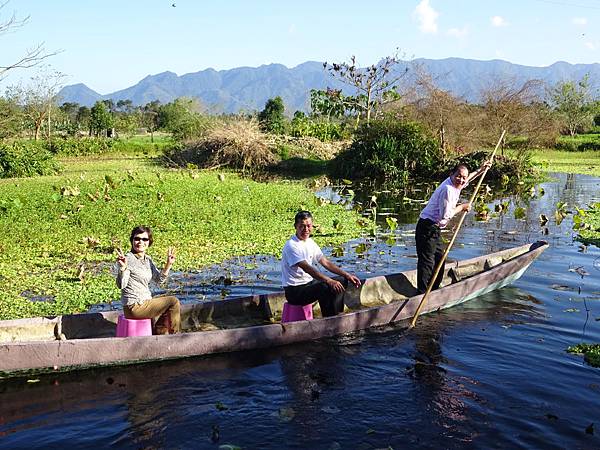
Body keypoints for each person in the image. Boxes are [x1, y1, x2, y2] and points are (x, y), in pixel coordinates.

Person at [416, 161, 492, 294]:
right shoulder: (448, 190)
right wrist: (461, 207)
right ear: (451, 175)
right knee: (427, 262)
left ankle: (433, 290)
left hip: (434, 229)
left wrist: (481, 169)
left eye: (463, 177)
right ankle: (422, 293)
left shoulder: (456, 184)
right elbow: (445, 216)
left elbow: (467, 179)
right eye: (458, 176)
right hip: (426, 228)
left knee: (440, 259)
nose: (461, 180)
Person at [281, 210, 361, 317]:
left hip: (308, 284)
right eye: (302, 226)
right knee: (325, 287)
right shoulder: (292, 245)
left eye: (309, 226)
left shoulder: (310, 242)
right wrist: (329, 281)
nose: (306, 229)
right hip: (295, 291)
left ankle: (337, 314)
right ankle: (328, 319)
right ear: (295, 226)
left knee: (342, 281)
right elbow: (308, 269)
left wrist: (347, 275)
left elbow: (325, 262)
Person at [115, 225, 181, 334]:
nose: (140, 242)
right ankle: (176, 336)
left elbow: (159, 280)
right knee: (173, 302)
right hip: (134, 306)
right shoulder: (128, 259)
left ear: (149, 242)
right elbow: (121, 285)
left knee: (167, 306)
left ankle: (158, 333)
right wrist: (123, 268)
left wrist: (168, 264)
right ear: (132, 241)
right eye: (137, 239)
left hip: (145, 302)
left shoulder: (147, 260)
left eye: (144, 239)